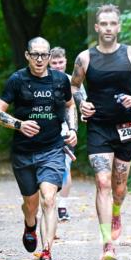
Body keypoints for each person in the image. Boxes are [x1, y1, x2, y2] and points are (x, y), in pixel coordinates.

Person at [70, 4, 131, 260]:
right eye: (104, 24)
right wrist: (82, 103)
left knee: (118, 188)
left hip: (126, 128)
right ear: (97, 27)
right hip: (98, 127)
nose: (108, 28)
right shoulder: (85, 58)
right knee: (103, 183)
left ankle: (116, 210)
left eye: (112, 24)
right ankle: (107, 242)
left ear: (118, 27)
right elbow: (74, 86)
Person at [0, 37, 77, 260]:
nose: (40, 59)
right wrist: (19, 125)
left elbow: (70, 105)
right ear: (27, 56)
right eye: (35, 55)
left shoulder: (60, 80)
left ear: (49, 56)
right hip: (24, 153)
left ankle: (46, 253)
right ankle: (30, 225)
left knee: (48, 199)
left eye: (44, 55)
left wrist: (72, 129)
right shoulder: (17, 80)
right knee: (31, 205)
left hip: (52, 150)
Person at [49, 47, 75, 222]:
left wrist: (74, 129)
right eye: (54, 63)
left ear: (66, 61)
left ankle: (62, 207)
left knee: (65, 168)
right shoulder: (41, 80)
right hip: (44, 132)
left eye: (61, 62)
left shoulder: (72, 81)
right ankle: (47, 203)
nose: (58, 66)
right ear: (49, 63)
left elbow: (80, 104)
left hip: (65, 131)